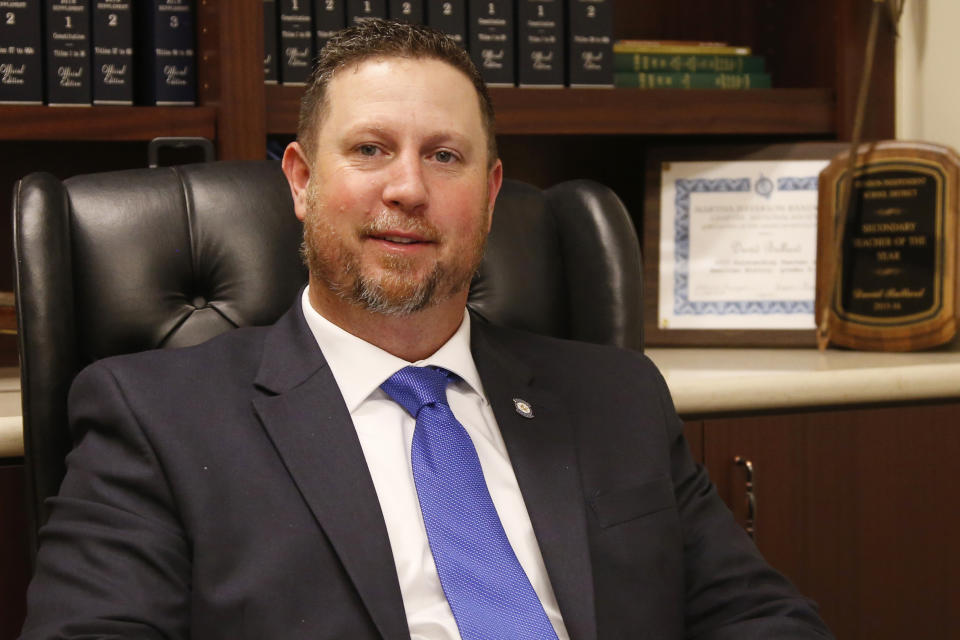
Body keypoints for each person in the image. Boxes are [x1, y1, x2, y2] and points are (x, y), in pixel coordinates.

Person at [19, 19, 832, 640]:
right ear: (300, 181)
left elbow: (760, 618)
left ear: (489, 191)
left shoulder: (616, 398)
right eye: (371, 149)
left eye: (445, 157)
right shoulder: (157, 416)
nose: (408, 188)